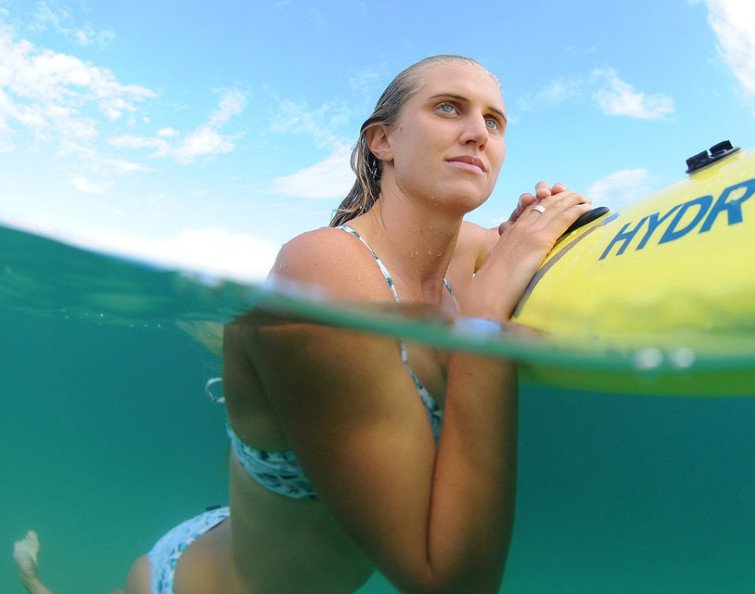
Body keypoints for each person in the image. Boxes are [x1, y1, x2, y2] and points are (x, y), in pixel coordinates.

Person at [13, 54, 592, 594]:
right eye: (448, 107)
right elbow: (447, 581)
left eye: (494, 121)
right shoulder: (326, 266)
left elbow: (524, 245)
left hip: (231, 533)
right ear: (382, 140)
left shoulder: (469, 251)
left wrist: (535, 223)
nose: (477, 133)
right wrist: (484, 321)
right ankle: (32, 575)